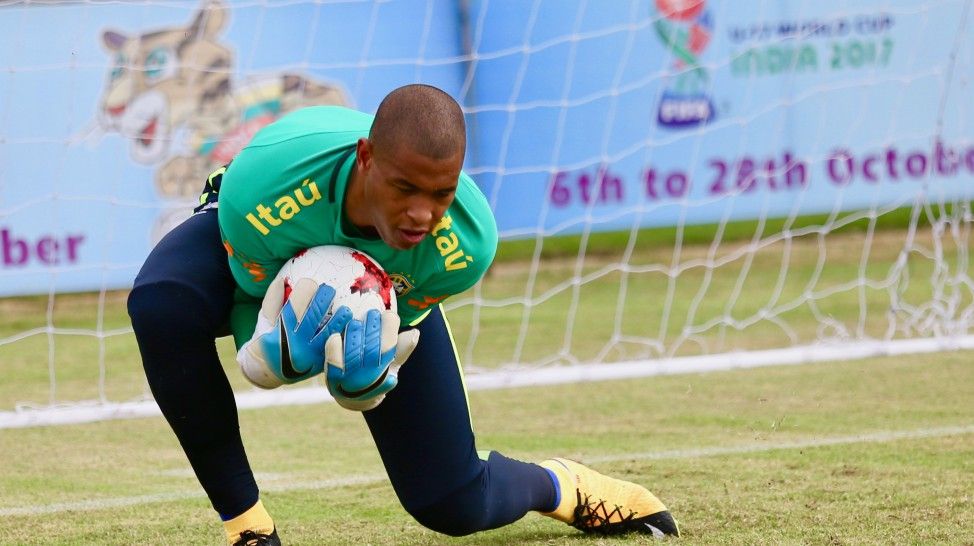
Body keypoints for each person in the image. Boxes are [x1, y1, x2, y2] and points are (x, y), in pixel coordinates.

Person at [127, 84, 680, 545]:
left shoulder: (464, 246)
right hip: (263, 236)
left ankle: (561, 486)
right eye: (404, 188)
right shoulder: (264, 191)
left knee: (453, 504)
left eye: (441, 193)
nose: (422, 214)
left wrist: (366, 384)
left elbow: (394, 319)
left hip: (381, 281)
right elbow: (253, 298)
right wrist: (262, 358)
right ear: (366, 158)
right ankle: (248, 527)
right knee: (162, 304)